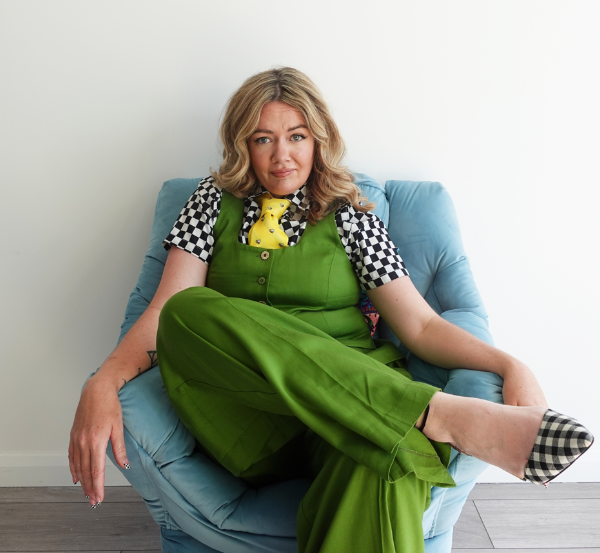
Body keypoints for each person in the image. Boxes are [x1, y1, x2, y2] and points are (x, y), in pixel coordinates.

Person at [69, 67, 593, 553]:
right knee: (189, 313)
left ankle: (408, 418)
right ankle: (434, 414)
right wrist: (102, 380)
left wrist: (510, 364)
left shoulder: (349, 212)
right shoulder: (210, 201)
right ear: (242, 145)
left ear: (318, 139)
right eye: (263, 139)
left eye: (296, 136)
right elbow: (164, 312)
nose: (282, 156)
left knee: (389, 463)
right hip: (251, 421)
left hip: (357, 406)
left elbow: (420, 325)